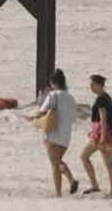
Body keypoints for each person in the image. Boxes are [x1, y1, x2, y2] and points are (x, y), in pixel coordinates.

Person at [24, 68, 78, 196]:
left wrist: (30, 117)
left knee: (55, 164)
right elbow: (73, 117)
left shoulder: (53, 95)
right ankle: (68, 183)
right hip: (66, 136)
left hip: (53, 133)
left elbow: (42, 111)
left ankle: (63, 188)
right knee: (58, 161)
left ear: (52, 83)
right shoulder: (71, 98)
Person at [79, 74, 112, 197]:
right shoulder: (107, 97)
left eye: (92, 84)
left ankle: (95, 185)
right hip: (109, 134)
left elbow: (103, 118)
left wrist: (101, 137)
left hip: (101, 134)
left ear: (99, 85)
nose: (90, 87)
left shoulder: (101, 99)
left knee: (84, 156)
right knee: (109, 163)